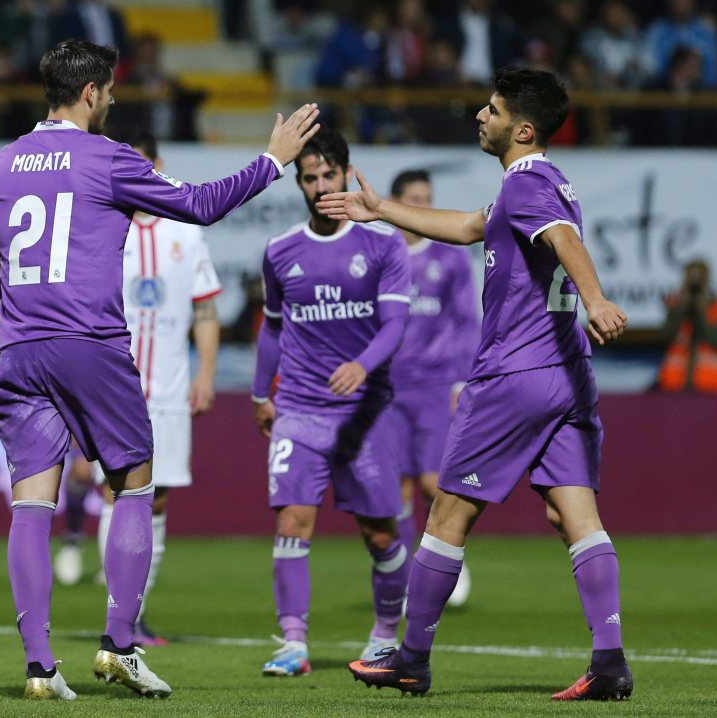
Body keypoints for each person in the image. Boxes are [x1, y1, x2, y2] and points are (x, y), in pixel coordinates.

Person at [0, 39, 319, 701]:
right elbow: (202, 204)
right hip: (90, 342)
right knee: (134, 483)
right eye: (111, 91)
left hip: (19, 349)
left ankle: (40, 668)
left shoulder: (5, 161)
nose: (113, 101)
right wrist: (273, 160)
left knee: (31, 504)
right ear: (94, 92)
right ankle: (119, 646)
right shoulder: (107, 158)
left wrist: (19, 320)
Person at [318, 66, 633, 701]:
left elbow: (562, 239)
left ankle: (411, 657)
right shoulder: (547, 183)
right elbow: (467, 227)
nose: (479, 118)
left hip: (514, 372)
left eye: (489, 110)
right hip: (567, 376)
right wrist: (380, 210)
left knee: (447, 511)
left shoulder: (527, 186)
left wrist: (597, 299)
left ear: (521, 128)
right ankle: (609, 662)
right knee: (574, 514)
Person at [251, 127, 413, 676]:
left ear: (347, 173)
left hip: (364, 412)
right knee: (292, 522)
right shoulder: (280, 252)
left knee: (380, 533)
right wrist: (260, 393)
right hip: (298, 408)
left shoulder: (385, 243)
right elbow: (272, 330)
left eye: (328, 175)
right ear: (298, 183)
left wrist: (362, 366)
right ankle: (294, 644)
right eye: (309, 177)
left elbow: (395, 325)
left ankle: (385, 635)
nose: (320, 186)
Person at [53, 128, 223, 647]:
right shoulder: (104, 226)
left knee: (159, 499)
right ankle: (117, 612)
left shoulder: (185, 233)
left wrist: (206, 374)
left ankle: (135, 613)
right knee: (117, 493)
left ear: (159, 165)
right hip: (115, 385)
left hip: (170, 388)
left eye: (147, 164)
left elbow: (206, 309)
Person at [386, 169, 480, 608]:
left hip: (436, 383)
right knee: (397, 488)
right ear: (396, 201)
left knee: (432, 481)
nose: (422, 206)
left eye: (428, 198)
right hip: (387, 386)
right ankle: (409, 577)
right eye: (414, 198)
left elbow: (466, 323)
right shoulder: (380, 254)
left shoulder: (450, 257)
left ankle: (448, 561)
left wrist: (464, 378)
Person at [657, 258, 717, 393]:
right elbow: (665, 336)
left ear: (707, 280)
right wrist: (680, 308)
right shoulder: (678, 307)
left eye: (699, 279)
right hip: (674, 387)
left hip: (712, 387)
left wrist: (702, 311)